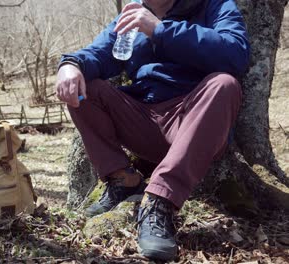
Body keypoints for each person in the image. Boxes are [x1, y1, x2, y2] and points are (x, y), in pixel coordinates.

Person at [56, 0, 250, 261]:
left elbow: (236, 54)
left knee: (225, 85)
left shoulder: (214, 5)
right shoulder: (132, 13)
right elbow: (99, 53)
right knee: (84, 86)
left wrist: (161, 29)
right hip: (143, 117)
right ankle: (123, 180)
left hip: (194, 119)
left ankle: (160, 201)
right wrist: (71, 64)